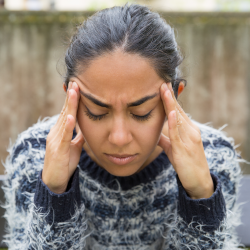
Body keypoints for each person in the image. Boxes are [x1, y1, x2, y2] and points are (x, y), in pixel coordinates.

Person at [1, 3, 247, 250]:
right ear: (70, 99)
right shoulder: (34, 155)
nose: (119, 138)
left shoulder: (212, 156)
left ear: (174, 96)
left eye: (141, 113)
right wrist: (54, 192)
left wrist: (201, 196)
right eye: (97, 112)